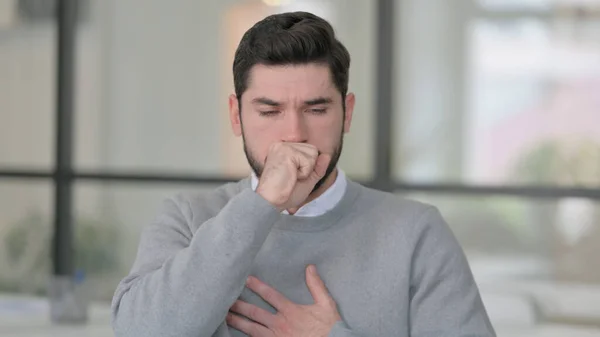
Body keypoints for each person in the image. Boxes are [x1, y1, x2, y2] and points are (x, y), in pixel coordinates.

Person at [111, 11, 496, 337]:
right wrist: (262, 204)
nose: (294, 134)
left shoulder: (417, 232)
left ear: (346, 113)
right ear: (236, 115)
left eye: (316, 109)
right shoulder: (187, 217)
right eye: (269, 111)